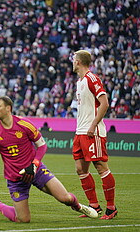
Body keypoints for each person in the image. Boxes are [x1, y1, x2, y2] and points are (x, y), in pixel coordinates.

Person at [0, 96, 98, 222]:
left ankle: (78, 207)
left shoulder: (24, 124)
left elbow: (42, 145)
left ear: (8, 108)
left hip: (36, 171)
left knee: (65, 198)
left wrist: (34, 164)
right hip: (15, 178)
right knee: (23, 219)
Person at [71, 50, 117, 219]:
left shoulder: (92, 78)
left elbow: (104, 103)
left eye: (74, 59)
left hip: (92, 132)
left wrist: (93, 125)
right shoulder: (79, 82)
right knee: (80, 169)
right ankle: (94, 206)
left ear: (78, 62)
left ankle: (111, 208)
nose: (72, 62)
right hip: (80, 131)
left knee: (100, 167)